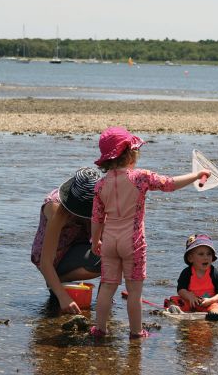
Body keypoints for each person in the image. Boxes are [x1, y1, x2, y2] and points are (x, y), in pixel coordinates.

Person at [89, 126, 211, 338]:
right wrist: (196, 175)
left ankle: (99, 329)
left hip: (109, 241)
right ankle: (136, 333)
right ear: (129, 153)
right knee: (134, 293)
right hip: (132, 242)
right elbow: (169, 184)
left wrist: (95, 242)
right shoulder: (139, 177)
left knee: (107, 288)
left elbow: (97, 218)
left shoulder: (100, 185)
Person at [31, 167, 102, 314]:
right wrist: (64, 298)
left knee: (111, 255)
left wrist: (105, 295)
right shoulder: (55, 208)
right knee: (98, 262)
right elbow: (46, 262)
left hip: (77, 246)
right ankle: (56, 283)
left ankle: (57, 284)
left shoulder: (99, 201)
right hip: (54, 255)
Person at [174, 234, 218, 320]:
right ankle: (175, 310)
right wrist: (189, 296)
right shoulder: (187, 273)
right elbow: (180, 290)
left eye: (209, 254)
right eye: (201, 254)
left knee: (215, 307)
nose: (206, 257)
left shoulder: (214, 274)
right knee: (175, 301)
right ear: (191, 258)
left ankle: (217, 315)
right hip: (190, 302)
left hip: (208, 303)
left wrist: (210, 300)